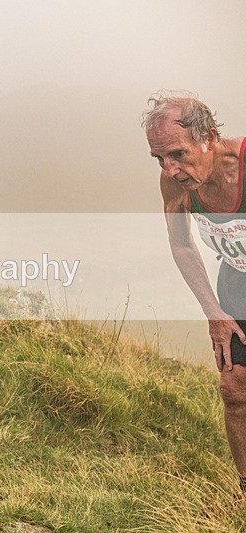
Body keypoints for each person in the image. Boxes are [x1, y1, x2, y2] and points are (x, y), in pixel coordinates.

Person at [143, 91, 246, 499]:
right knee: (234, 390)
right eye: (159, 159)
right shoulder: (175, 184)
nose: (170, 169)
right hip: (237, 281)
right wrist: (214, 313)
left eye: (177, 154)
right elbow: (182, 244)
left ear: (210, 138)